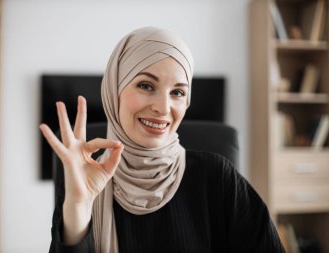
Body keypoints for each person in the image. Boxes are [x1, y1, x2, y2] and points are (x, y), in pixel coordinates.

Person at [40, 27, 285, 253]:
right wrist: (79, 205)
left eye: (178, 92)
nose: (163, 107)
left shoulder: (218, 177)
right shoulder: (84, 178)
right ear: (115, 90)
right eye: (146, 85)